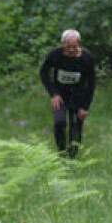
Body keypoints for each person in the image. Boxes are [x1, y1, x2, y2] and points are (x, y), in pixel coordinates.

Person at [39, 29, 96, 158]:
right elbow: (44, 73)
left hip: (78, 96)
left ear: (79, 44)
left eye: (74, 47)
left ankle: (72, 157)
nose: (71, 50)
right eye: (68, 46)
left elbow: (91, 83)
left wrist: (85, 107)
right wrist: (53, 93)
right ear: (62, 43)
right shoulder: (55, 54)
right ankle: (61, 152)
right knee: (59, 122)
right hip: (60, 95)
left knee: (75, 129)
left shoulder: (87, 57)